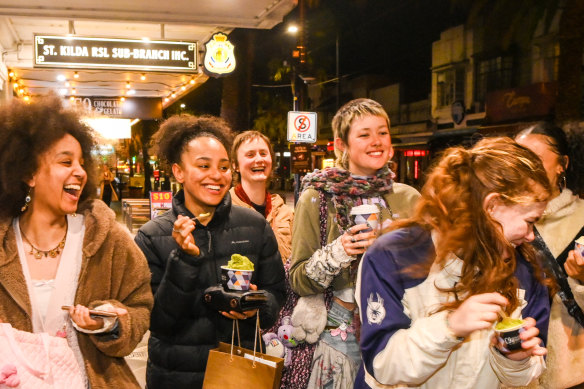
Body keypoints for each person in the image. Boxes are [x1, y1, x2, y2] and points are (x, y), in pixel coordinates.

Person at [356, 137, 552, 389]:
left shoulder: (525, 267)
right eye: (530, 220)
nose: (531, 236)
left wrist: (514, 358)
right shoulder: (394, 255)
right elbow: (383, 366)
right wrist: (450, 326)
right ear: (492, 206)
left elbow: (529, 373)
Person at [0, 96, 153, 388]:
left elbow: (140, 305)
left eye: (82, 163)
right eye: (65, 161)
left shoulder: (106, 237)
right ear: (28, 173)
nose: (80, 172)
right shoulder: (3, 241)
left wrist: (108, 323)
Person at [134, 114, 286, 389]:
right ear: (179, 171)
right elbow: (158, 322)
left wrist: (255, 306)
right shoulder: (152, 235)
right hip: (175, 377)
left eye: (224, 167)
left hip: (240, 373)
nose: (216, 175)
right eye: (203, 166)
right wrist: (184, 259)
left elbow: (276, 293)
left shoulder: (254, 225)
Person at [288, 98, 420, 388]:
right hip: (340, 340)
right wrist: (340, 251)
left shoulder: (409, 198)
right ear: (341, 145)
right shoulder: (317, 198)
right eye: (364, 134)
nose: (376, 141)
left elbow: (432, 270)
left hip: (402, 329)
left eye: (382, 132)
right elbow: (297, 279)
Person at [516, 122, 584, 389]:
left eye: (534, 160)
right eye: (518, 159)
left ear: (562, 164)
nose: (524, 168)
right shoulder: (496, 220)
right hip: (513, 373)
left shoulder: (581, 217)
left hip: (572, 373)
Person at [230, 130, 293, 262]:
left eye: (263, 153)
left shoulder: (286, 213)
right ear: (235, 165)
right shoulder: (224, 211)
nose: (259, 159)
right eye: (250, 154)